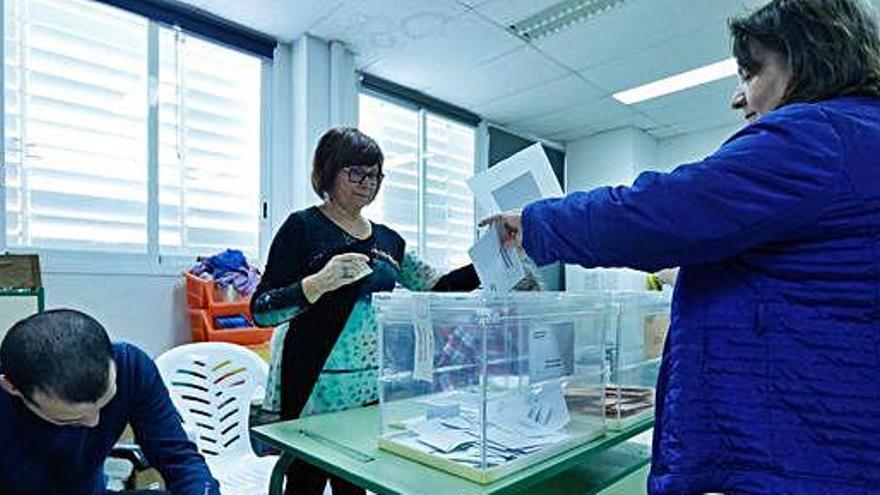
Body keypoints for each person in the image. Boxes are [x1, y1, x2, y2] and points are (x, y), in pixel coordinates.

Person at [483, 0, 880, 493]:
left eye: (751, 72)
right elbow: (807, 275)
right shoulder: (861, 139)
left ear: (808, 56)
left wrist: (538, 221)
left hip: (792, 456)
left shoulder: (818, 136)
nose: (739, 97)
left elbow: (659, 210)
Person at [251, 127, 479, 495]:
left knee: (355, 483)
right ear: (327, 171)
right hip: (312, 386)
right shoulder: (303, 227)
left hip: (366, 391)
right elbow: (261, 311)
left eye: (374, 174)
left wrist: (491, 259)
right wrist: (318, 283)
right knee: (304, 483)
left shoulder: (389, 240)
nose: (366, 183)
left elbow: (436, 286)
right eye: (355, 172)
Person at [0, 309, 220, 495]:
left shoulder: (130, 367)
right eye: (71, 419)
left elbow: (178, 458)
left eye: (105, 402)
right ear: (12, 387)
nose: (94, 422)